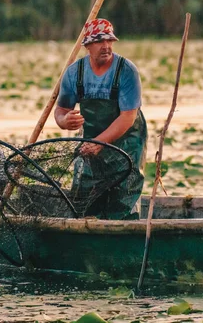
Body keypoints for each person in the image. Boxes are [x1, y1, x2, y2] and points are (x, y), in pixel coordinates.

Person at [54, 18, 147, 220]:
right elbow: (60, 110)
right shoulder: (74, 73)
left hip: (127, 141)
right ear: (87, 45)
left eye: (109, 40)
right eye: (99, 41)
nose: (106, 46)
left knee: (124, 194)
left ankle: (123, 233)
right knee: (83, 196)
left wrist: (100, 142)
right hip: (90, 141)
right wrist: (64, 120)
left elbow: (128, 117)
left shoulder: (126, 71)